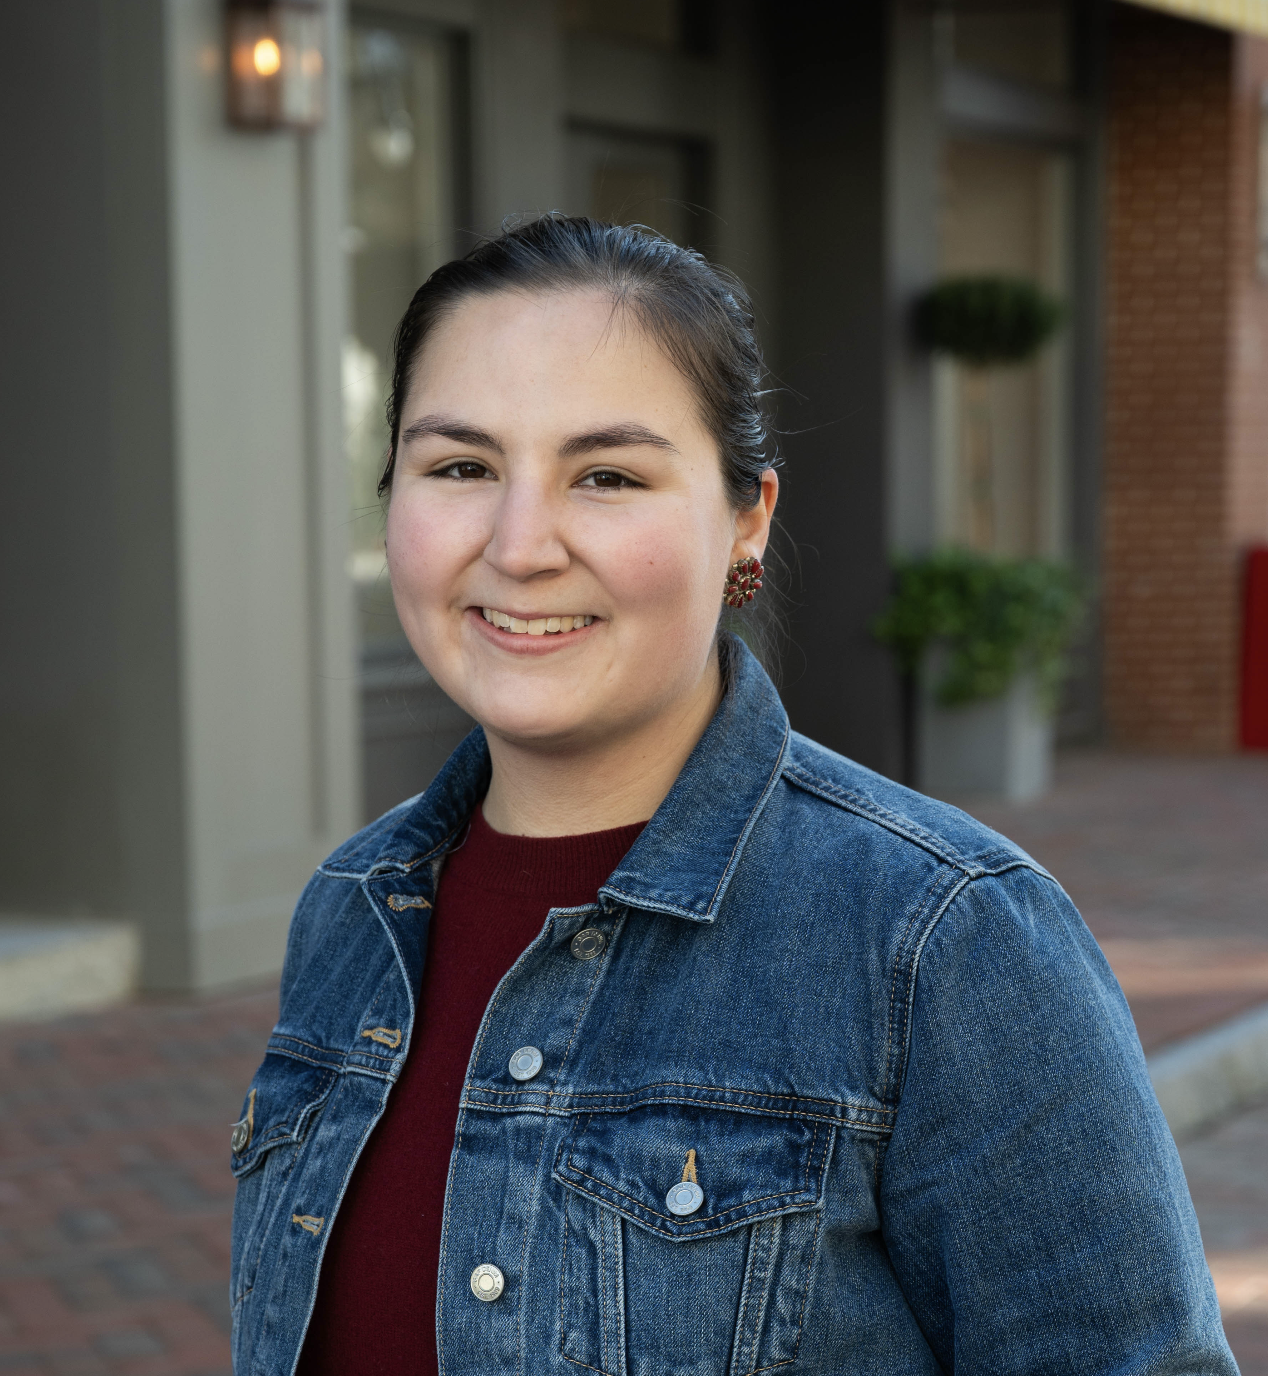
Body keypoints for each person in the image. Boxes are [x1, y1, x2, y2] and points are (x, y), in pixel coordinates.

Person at [229, 216, 1234, 1376]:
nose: (519, 545)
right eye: (461, 467)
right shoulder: (350, 907)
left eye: (606, 475)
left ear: (746, 517)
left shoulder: (944, 940)